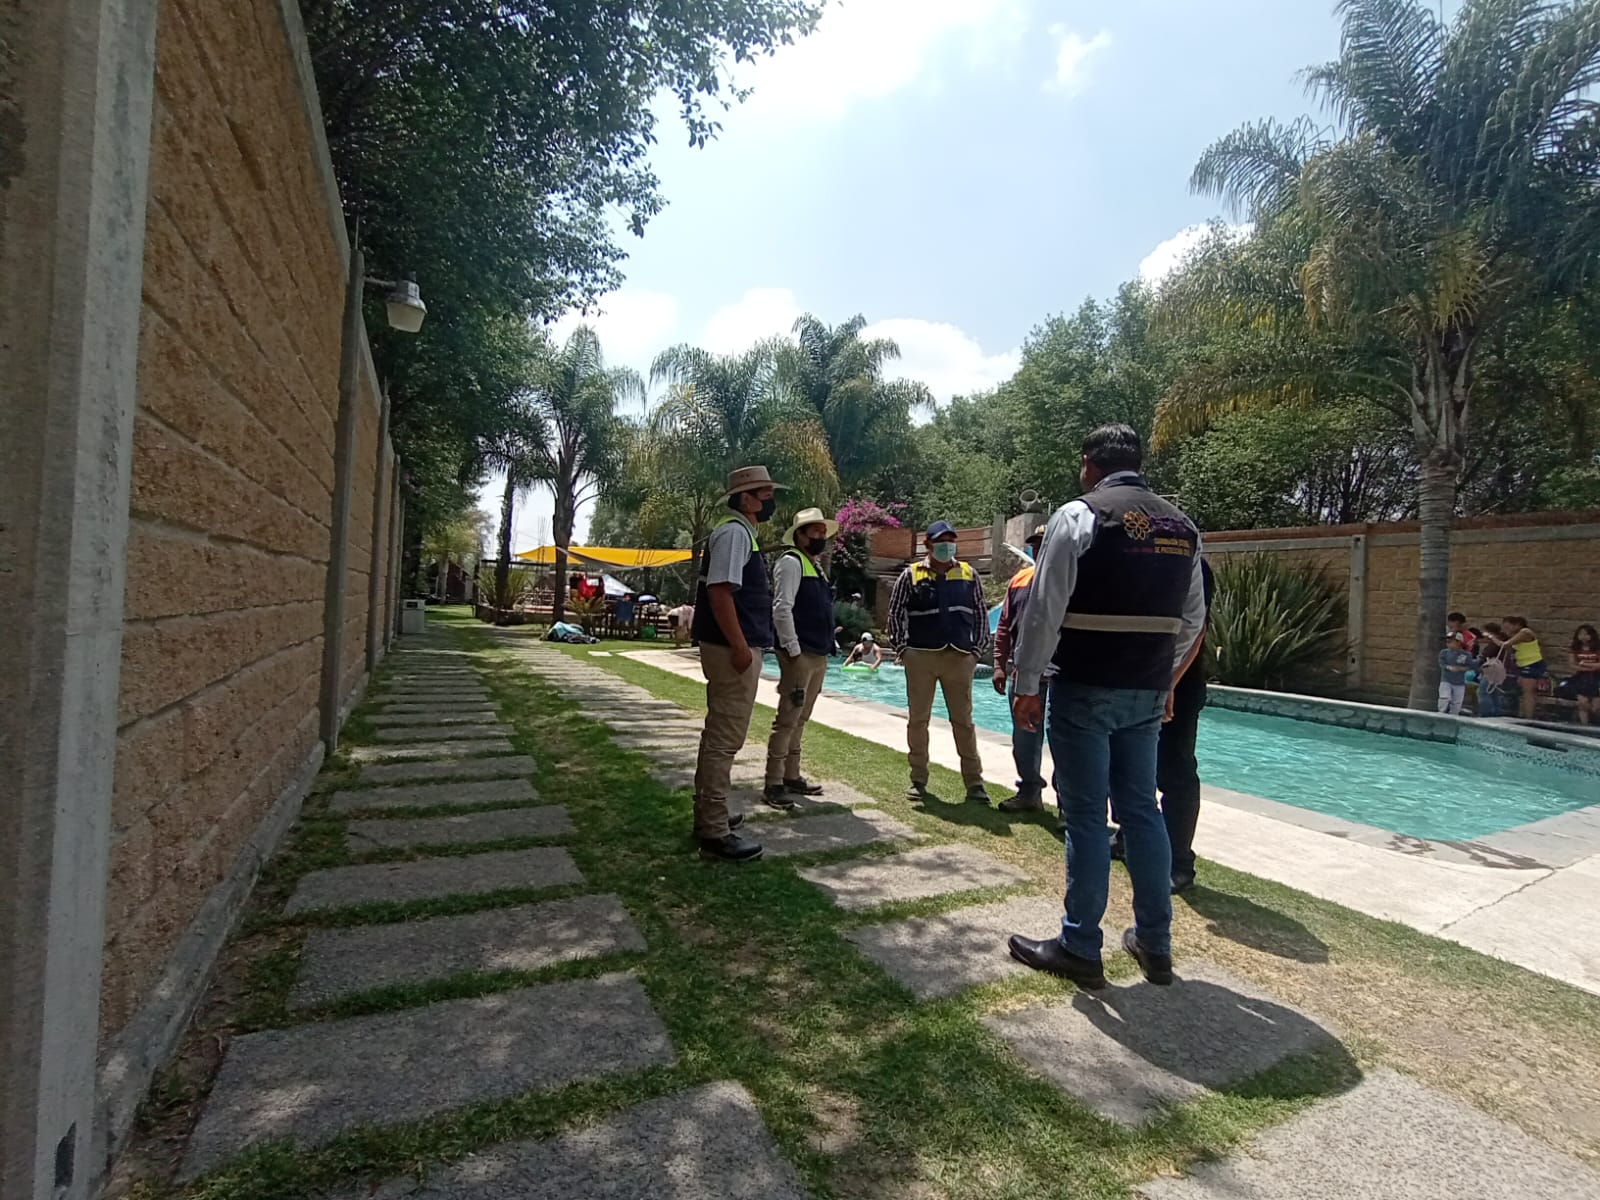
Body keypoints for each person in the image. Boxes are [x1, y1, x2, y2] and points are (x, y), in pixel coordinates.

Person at [1005, 424, 1205, 989]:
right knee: (1142, 810)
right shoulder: (1183, 526)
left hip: (1086, 685)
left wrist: (1026, 682)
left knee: (1088, 816)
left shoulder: (1079, 515)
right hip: (1146, 691)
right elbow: (1193, 619)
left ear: (1089, 464)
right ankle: (1155, 944)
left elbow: (1044, 608)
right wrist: (1164, 678)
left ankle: (1080, 945)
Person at [688, 466, 784, 862]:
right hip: (732, 652)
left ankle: (710, 812)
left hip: (732, 648)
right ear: (746, 499)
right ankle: (714, 829)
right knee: (725, 737)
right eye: (765, 494)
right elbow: (720, 592)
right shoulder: (733, 533)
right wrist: (741, 646)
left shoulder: (741, 533)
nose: (771, 501)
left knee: (719, 734)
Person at [887, 520, 992, 804]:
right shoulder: (911, 574)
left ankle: (975, 783)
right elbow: (895, 613)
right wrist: (902, 650)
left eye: (951, 540)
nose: (947, 545)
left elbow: (981, 614)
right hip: (920, 657)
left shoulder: (969, 573)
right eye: (941, 541)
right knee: (918, 720)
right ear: (928, 545)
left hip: (959, 657)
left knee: (964, 722)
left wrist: (975, 652)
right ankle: (918, 779)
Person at [764, 507, 838, 809]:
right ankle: (773, 782)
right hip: (800, 654)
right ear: (800, 535)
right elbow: (782, 608)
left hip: (818, 653)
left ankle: (791, 775)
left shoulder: (814, 566)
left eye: (823, 531)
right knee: (787, 718)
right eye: (815, 531)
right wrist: (793, 650)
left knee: (801, 717)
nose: (821, 536)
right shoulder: (791, 563)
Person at [994, 523, 1053, 814]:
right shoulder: (1020, 579)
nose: (1039, 549)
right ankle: (1029, 792)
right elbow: (1004, 625)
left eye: (1045, 543)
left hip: (1059, 675)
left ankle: (1069, 807)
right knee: (1024, 739)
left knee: (1064, 741)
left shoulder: (1071, 577)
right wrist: (998, 664)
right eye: (1036, 544)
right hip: (1022, 672)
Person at [1502, 616, 1546, 720]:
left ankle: (1528, 717)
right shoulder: (1515, 636)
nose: (1506, 631)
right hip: (1524, 664)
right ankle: (1524, 714)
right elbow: (1510, 651)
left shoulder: (1525, 632)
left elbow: (1504, 645)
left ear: (1517, 625)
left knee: (1528, 692)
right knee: (1524, 691)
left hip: (1532, 664)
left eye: (1508, 627)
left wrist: (1490, 636)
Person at [1437, 632, 1475, 715]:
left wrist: (1461, 668)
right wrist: (1449, 667)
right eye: (1447, 642)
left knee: (1457, 702)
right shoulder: (1444, 652)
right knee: (1444, 698)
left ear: (1459, 642)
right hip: (1446, 680)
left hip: (1459, 682)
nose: (1448, 644)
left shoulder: (1466, 655)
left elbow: (1469, 666)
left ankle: (1453, 716)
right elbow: (1442, 664)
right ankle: (1441, 713)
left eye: (1450, 642)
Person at [1570, 625, 1600, 725]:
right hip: (1581, 677)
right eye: (1580, 634)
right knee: (1582, 703)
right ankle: (1584, 726)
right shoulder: (1575, 648)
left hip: (1596, 677)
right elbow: (1572, 664)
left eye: (1586, 634)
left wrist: (1586, 664)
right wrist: (1584, 668)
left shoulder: (1597, 648)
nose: (1583, 637)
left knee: (1596, 708)